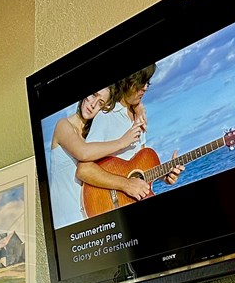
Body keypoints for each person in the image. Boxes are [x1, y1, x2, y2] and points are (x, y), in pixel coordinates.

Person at [77, 66, 183, 206]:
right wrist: (126, 184)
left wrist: (165, 175)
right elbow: (83, 170)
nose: (144, 88)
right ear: (127, 81)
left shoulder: (139, 120)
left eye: (147, 82)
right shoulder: (106, 116)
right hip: (112, 204)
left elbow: (142, 170)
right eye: (141, 82)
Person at [47, 88, 143, 229]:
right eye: (93, 95)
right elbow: (83, 153)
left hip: (88, 219)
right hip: (66, 223)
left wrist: (138, 107)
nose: (93, 105)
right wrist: (122, 142)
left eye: (100, 103)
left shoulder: (93, 137)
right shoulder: (63, 125)